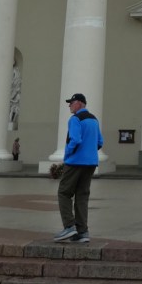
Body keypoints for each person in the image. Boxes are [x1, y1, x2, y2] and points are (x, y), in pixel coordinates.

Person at [54, 93, 103, 243]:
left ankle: (69, 226)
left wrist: (68, 154)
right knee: (82, 196)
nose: (69, 105)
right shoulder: (94, 119)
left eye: (72, 102)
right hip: (91, 163)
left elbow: (75, 139)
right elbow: (100, 142)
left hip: (75, 162)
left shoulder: (75, 119)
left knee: (64, 193)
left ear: (80, 103)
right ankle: (83, 232)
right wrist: (89, 153)